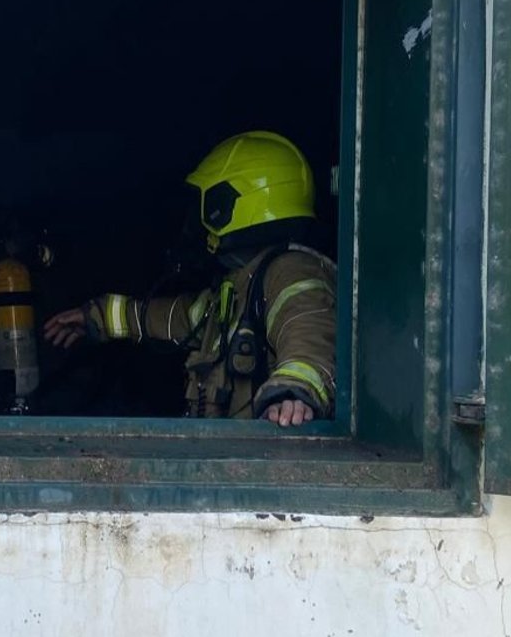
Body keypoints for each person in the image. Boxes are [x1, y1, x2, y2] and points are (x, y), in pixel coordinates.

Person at [42, 131, 336, 426]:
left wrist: (293, 392)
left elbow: (308, 327)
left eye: (205, 204)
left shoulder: (291, 270)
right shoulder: (238, 284)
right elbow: (179, 317)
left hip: (261, 461)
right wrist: (97, 315)